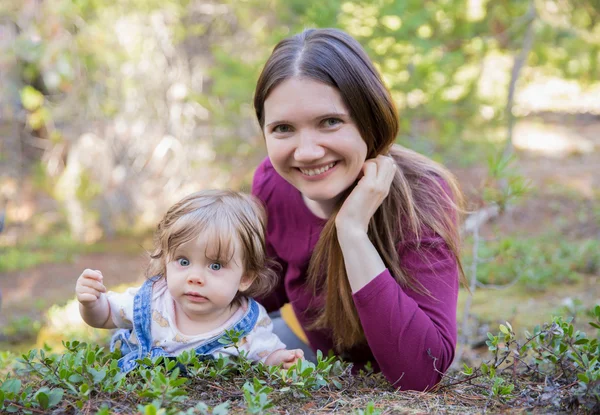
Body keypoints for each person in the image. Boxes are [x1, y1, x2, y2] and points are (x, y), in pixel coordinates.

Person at [252, 28, 465, 391]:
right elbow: (261, 291)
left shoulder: (422, 198)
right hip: (309, 354)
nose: (306, 152)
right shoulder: (273, 184)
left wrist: (351, 231)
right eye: (283, 128)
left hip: (385, 377)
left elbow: (422, 374)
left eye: (330, 122)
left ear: (370, 118)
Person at [75, 190, 304, 373]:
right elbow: (105, 316)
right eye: (183, 262)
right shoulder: (153, 300)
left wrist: (280, 360)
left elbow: (266, 357)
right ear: (166, 260)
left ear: (245, 277)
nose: (194, 277)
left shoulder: (249, 323)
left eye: (215, 265)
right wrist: (91, 303)